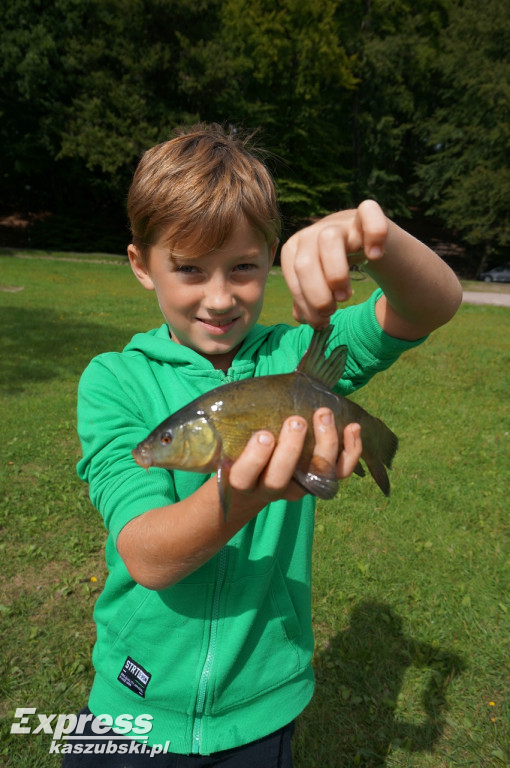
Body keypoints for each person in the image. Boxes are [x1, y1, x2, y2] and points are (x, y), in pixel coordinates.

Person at [63, 124, 462, 767]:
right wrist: (244, 496)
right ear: (142, 265)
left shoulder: (296, 354)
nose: (219, 298)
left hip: (263, 705)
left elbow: (431, 305)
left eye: (244, 267)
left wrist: (370, 235)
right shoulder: (114, 381)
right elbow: (147, 557)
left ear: (271, 258)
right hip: (133, 702)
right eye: (189, 268)